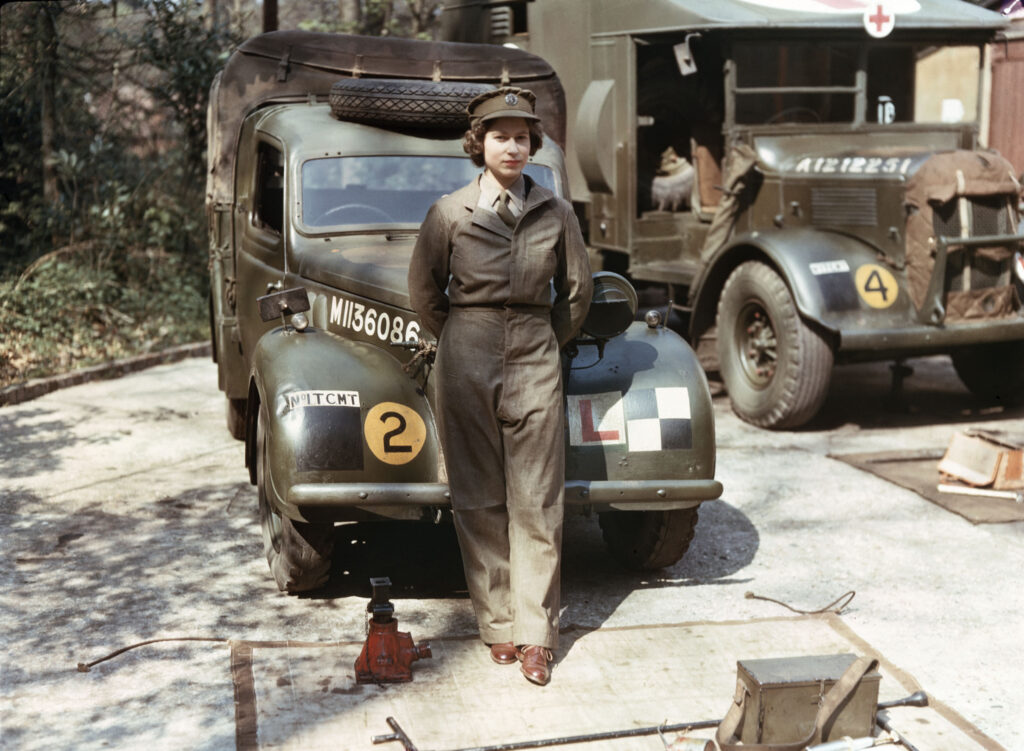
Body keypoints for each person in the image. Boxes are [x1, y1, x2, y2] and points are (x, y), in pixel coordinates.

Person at [407, 87, 592, 686]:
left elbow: (579, 293)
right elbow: (425, 295)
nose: (512, 147)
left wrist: (543, 340)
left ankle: (537, 635)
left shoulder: (556, 212)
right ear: (478, 144)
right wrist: (464, 338)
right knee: (479, 498)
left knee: (537, 498)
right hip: (466, 354)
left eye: (522, 137)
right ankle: (499, 625)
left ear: (534, 145)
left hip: (536, 352)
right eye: (499, 136)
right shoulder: (449, 213)